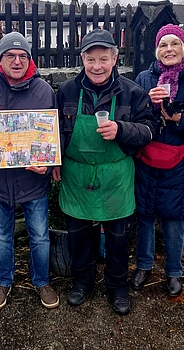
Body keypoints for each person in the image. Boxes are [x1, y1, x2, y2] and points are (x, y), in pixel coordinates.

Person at [53, 29, 155, 316]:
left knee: (118, 239)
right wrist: (55, 160)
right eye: (91, 59)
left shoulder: (133, 93)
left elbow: (150, 130)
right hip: (77, 175)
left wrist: (121, 129)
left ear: (114, 58)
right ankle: (82, 282)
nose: (97, 66)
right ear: (82, 59)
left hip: (115, 177)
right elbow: (54, 130)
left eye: (103, 59)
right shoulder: (66, 91)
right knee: (78, 237)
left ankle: (117, 287)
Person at [0, 31, 59, 311]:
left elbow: (55, 135)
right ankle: (3, 281)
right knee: (2, 236)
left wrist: (50, 163)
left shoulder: (44, 90)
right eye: (10, 55)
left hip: (33, 181)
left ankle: (42, 281)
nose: (17, 61)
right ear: (0, 59)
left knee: (39, 236)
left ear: (29, 59)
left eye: (22, 56)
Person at [131, 24, 184, 297]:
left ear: (183, 47)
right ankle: (143, 265)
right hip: (147, 158)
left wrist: (179, 119)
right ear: (157, 50)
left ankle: (174, 271)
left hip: (180, 161)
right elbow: (133, 117)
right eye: (163, 45)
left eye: (174, 44)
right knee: (144, 217)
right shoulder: (144, 78)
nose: (169, 49)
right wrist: (148, 102)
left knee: (175, 220)